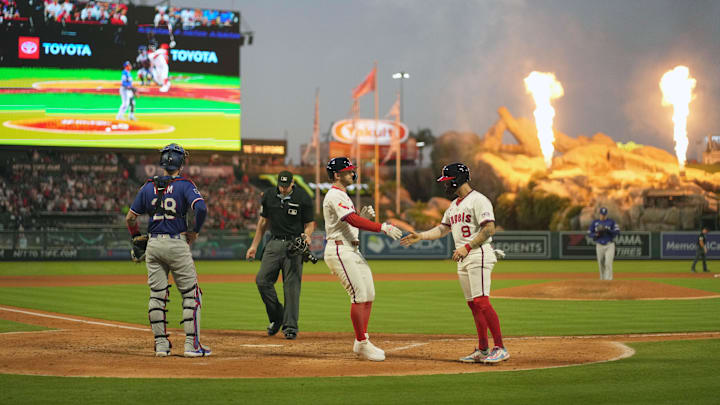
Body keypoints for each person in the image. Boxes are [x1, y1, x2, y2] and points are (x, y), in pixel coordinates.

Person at [401, 162, 510, 364]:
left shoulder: (479, 200)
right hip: (463, 257)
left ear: (458, 180)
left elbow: (489, 229)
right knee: (473, 305)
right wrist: (421, 236)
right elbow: (443, 229)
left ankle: (500, 347)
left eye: (448, 181)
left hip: (478, 253)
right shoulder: (454, 206)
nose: (445, 185)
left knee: (482, 302)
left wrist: (467, 248)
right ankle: (483, 349)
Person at [125, 143, 210, 357]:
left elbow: (130, 218)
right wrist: (195, 231)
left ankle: (161, 345)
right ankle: (192, 346)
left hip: (154, 244)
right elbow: (200, 208)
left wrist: (136, 237)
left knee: (157, 295)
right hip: (176, 243)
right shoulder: (185, 185)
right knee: (192, 295)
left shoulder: (147, 186)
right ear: (181, 163)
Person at [322, 157, 403, 361]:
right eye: (348, 171)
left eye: (352, 170)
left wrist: (362, 217)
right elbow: (350, 219)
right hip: (340, 250)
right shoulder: (333, 194)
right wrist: (381, 227)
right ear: (337, 174)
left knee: (369, 294)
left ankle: (361, 341)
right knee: (358, 296)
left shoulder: (342, 194)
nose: (352, 173)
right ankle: (362, 342)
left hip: (351, 250)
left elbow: (351, 220)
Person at [245, 170, 315, 340]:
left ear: (292, 183)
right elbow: (263, 222)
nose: (283, 189)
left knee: (291, 287)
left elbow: (310, 223)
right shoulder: (268, 196)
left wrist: (307, 235)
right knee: (262, 280)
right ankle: (277, 317)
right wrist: (254, 245)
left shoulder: (303, 197)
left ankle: (290, 327)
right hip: (274, 243)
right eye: (281, 185)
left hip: (294, 245)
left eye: (286, 185)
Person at [588, 207, 620, 280]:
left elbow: (617, 231)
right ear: (599, 214)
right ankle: (602, 281)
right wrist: (596, 235)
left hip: (609, 245)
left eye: (604, 214)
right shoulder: (595, 222)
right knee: (601, 264)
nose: (603, 216)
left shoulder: (611, 222)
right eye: (602, 214)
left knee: (608, 263)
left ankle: (609, 280)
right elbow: (589, 233)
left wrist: (608, 230)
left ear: (606, 214)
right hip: (599, 245)